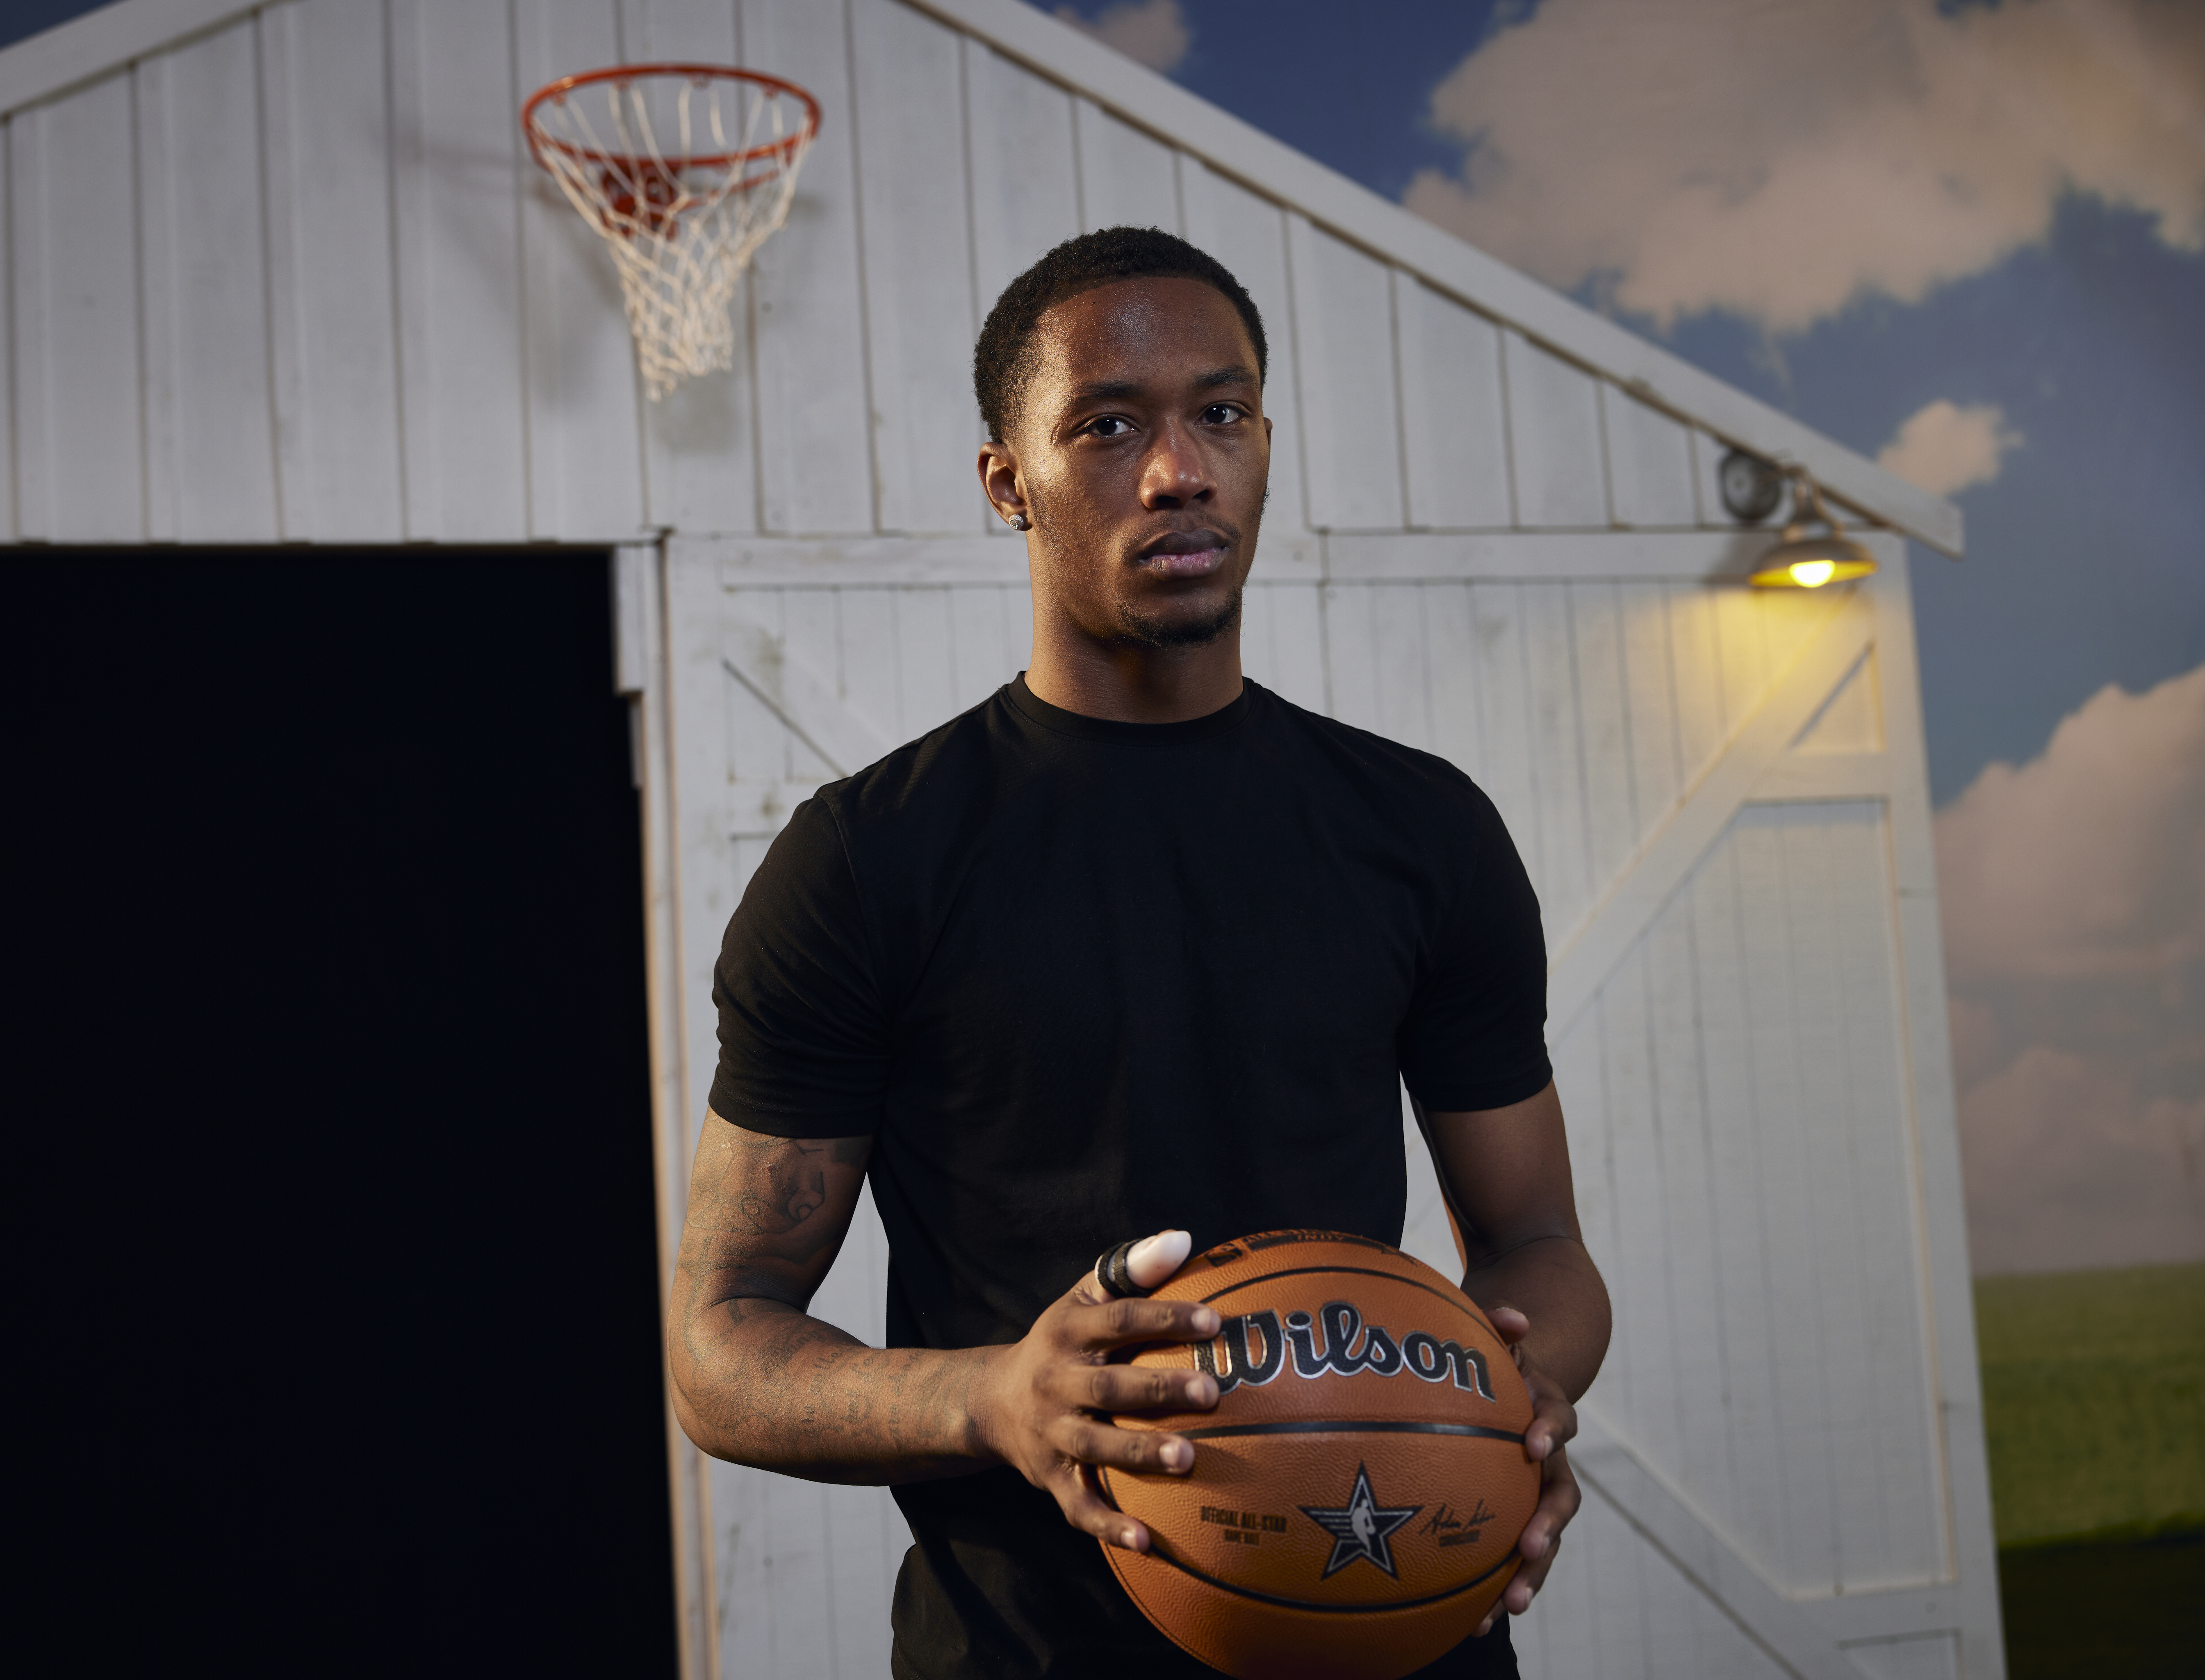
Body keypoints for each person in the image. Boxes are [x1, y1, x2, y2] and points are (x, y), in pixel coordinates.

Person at [667, 227, 1613, 1679]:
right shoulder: (869, 862)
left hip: (1393, 1634)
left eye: (1219, 415)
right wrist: (997, 1394)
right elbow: (719, 1347)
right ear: (1010, 483)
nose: (1180, 470)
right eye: (1108, 425)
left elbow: (1540, 1245)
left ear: (1264, 443)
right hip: (1023, 1653)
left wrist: (1509, 1406)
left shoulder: (1422, 830)